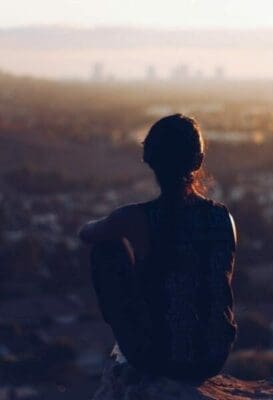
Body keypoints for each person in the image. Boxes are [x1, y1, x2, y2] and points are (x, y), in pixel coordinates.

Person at [79, 114, 237, 382]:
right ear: (198, 161)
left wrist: (115, 223)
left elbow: (87, 234)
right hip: (212, 357)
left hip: (155, 357)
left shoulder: (135, 218)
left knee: (106, 249)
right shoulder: (224, 218)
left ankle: (130, 340)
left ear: (149, 159)